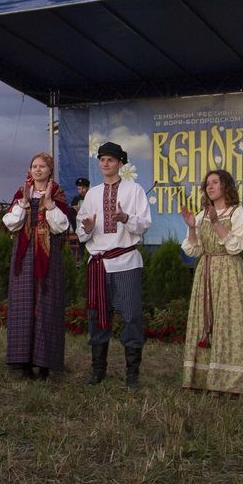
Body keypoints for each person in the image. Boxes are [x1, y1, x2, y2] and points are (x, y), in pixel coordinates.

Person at [76, 141, 153, 387]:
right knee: (97, 316)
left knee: (131, 316)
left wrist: (125, 217)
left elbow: (144, 223)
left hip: (126, 261)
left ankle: (133, 374)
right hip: (98, 263)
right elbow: (81, 226)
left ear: (121, 163)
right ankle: (98, 370)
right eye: (102, 159)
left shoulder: (134, 190)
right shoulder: (92, 193)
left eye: (110, 159)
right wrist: (86, 229)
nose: (106, 163)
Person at [181, 169, 243, 395]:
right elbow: (194, 250)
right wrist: (192, 227)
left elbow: (236, 246)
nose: (210, 187)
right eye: (207, 184)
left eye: (215, 182)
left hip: (228, 269)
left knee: (228, 320)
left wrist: (217, 223)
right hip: (206, 268)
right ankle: (202, 378)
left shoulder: (237, 212)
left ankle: (229, 380)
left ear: (226, 186)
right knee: (204, 320)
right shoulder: (202, 214)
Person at [1, 153, 74, 379]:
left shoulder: (58, 194)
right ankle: (23, 362)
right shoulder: (22, 193)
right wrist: (22, 204)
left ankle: (44, 364)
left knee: (46, 304)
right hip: (24, 253)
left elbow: (62, 227)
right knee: (23, 304)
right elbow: (11, 224)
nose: (38, 170)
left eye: (42, 166)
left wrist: (50, 205)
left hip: (48, 253)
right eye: (34, 166)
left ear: (50, 170)